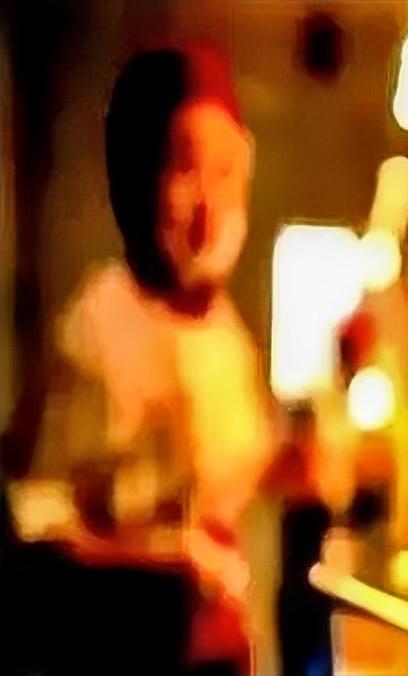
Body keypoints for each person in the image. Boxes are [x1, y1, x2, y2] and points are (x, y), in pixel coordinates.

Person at [2, 45, 272, 675]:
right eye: (186, 169)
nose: (209, 207)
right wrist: (161, 563)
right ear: (141, 177)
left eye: (227, 173)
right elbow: (36, 529)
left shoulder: (227, 332)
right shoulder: (96, 328)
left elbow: (227, 481)